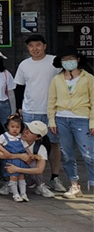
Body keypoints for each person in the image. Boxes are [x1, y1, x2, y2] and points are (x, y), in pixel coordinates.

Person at [14, 34, 65, 192]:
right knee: (29, 144)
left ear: (44, 46)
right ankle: (32, 179)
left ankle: (55, 177)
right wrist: (18, 108)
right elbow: (19, 88)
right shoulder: (24, 65)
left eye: (38, 45)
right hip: (30, 110)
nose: (34, 48)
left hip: (51, 111)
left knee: (54, 144)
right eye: (31, 46)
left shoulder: (55, 62)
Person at [47, 46, 94, 199]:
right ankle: (74, 185)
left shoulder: (88, 78)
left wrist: (92, 122)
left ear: (78, 59)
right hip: (61, 119)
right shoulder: (57, 79)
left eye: (71, 59)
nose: (68, 62)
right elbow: (51, 101)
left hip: (82, 119)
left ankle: (92, 182)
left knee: (89, 154)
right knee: (67, 154)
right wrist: (52, 120)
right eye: (65, 60)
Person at [0, 114, 31, 202]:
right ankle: (15, 194)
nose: (15, 129)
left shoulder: (20, 137)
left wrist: (30, 154)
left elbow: (26, 147)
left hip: (21, 161)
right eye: (12, 127)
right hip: (10, 161)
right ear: (8, 126)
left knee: (21, 177)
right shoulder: (4, 136)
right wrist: (4, 151)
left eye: (17, 127)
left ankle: (23, 193)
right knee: (13, 177)